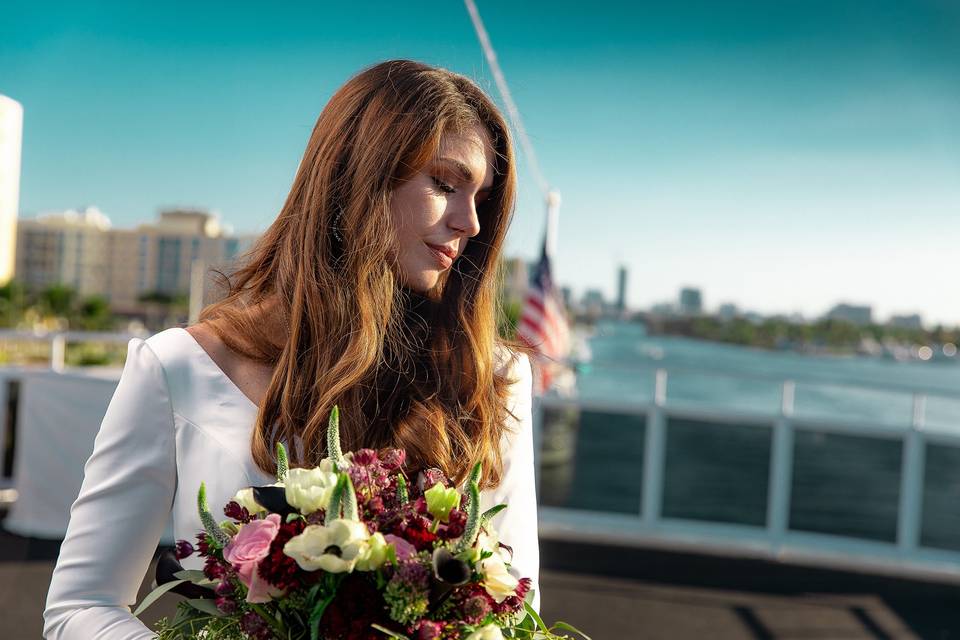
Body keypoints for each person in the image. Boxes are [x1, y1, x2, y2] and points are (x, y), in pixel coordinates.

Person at [43, 59, 541, 638]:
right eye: (447, 183)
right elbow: (80, 607)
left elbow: (516, 612)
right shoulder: (177, 367)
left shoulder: (494, 376)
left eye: (483, 196)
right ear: (359, 175)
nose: (472, 223)